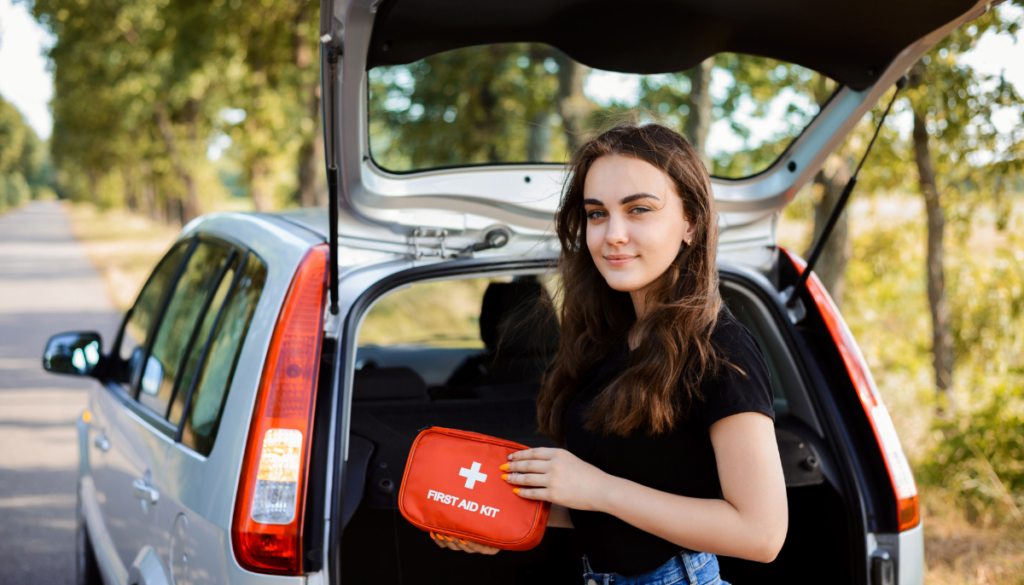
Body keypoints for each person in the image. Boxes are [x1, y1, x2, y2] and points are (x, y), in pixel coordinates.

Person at [431, 123, 788, 585]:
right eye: (597, 214)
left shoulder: (721, 349)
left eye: (639, 209)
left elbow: (761, 534)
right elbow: (600, 503)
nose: (612, 234)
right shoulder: (611, 340)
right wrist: (496, 517)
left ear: (691, 223)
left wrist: (598, 489)